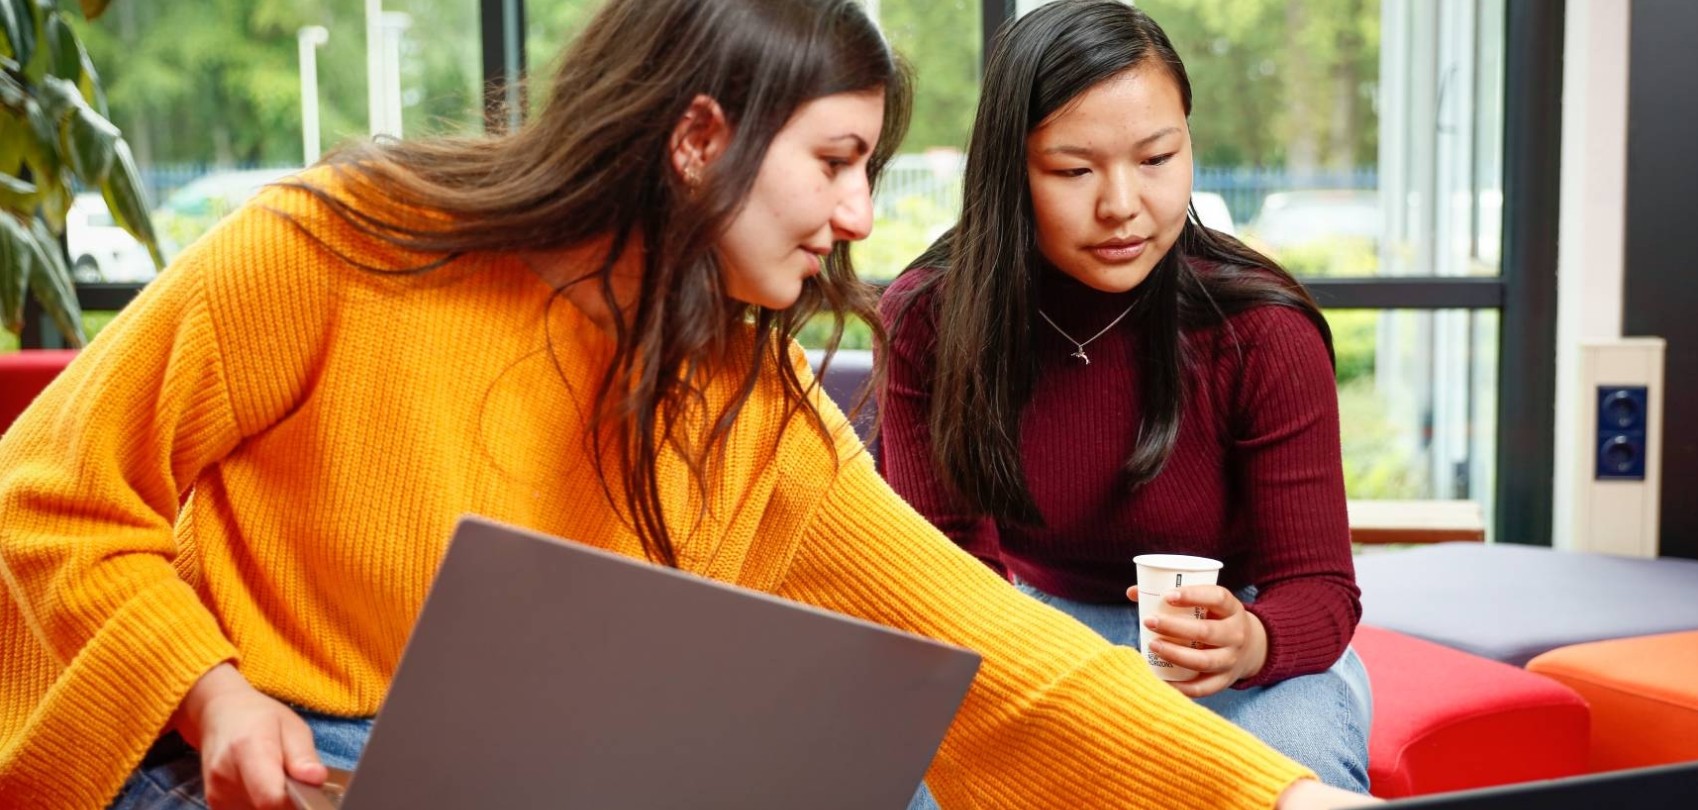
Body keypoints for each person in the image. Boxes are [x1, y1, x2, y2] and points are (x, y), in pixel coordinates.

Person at [0, 1, 1379, 808]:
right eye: (838, 160)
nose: (857, 214)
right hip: (237, 760)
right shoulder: (340, 243)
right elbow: (49, 491)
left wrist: (1279, 795)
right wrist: (210, 689)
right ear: (700, 135)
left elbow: (990, 645)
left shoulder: (753, 402)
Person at [877, 1, 1373, 803]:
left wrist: (1247, 641)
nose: (1122, 205)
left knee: (1293, 774)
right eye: (1074, 170)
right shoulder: (931, 320)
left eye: (1156, 158)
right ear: (1008, 169)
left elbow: (1319, 586)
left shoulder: (1259, 328)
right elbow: (943, 577)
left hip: (1245, 653)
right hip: (1031, 630)